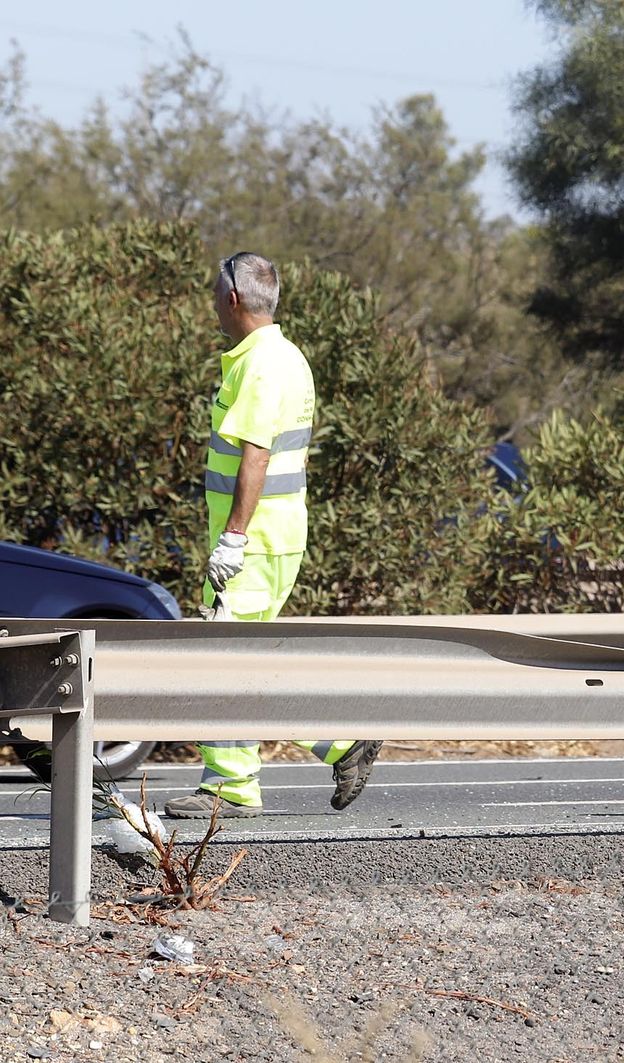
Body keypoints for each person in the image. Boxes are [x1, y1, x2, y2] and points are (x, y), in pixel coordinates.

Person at [163, 252, 382, 819]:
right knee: (243, 660)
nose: (213, 303)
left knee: (219, 661)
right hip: (276, 536)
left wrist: (233, 538)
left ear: (232, 299)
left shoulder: (260, 365)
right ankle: (333, 746)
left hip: (253, 543)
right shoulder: (286, 356)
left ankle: (236, 786)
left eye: (216, 294)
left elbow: (255, 457)